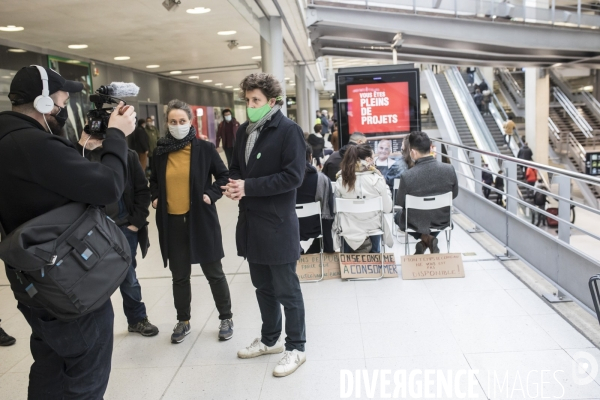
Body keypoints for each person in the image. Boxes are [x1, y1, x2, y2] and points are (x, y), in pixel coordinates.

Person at [0, 65, 135, 399]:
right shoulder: (33, 143)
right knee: (85, 378)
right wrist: (117, 136)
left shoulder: (11, 139)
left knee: (50, 368)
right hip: (68, 285)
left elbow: (43, 180)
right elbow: (108, 188)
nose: (65, 107)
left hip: (31, 282)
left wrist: (78, 150)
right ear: (45, 103)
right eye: (62, 99)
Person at [223, 73, 307, 377]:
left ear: (272, 101)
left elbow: (293, 176)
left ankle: (296, 347)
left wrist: (249, 187)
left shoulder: (288, 131)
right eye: (247, 100)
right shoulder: (244, 131)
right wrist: (233, 185)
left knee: (287, 290)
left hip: (277, 224)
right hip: (251, 224)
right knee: (263, 288)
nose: (250, 106)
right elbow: (235, 168)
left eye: (255, 100)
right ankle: (270, 340)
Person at [149, 99, 233, 344]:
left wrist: (211, 194)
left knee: (214, 272)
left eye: (182, 121)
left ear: (190, 122)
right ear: (167, 123)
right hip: (172, 223)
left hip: (201, 219)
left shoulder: (205, 149)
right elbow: (154, 181)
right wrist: (155, 198)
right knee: (179, 276)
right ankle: (183, 320)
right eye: (173, 122)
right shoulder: (161, 151)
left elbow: (224, 175)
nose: (177, 125)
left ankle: (226, 318)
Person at [77, 132, 158, 338]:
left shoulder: (128, 156)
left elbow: (142, 190)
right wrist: (82, 146)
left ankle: (137, 319)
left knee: (128, 277)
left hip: (123, 227)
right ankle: (94, 329)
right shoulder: (80, 155)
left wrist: (136, 222)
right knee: (91, 279)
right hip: (92, 230)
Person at [396, 131, 459, 254]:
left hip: (415, 221)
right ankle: (429, 239)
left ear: (413, 152)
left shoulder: (407, 176)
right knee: (432, 218)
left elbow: (400, 202)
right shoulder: (449, 169)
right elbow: (454, 194)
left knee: (398, 216)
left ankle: (425, 239)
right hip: (442, 219)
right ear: (430, 148)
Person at [333, 143, 393, 253]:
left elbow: (335, 209)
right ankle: (375, 264)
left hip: (348, 230)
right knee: (375, 225)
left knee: (346, 225)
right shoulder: (377, 180)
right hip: (373, 230)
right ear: (368, 159)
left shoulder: (341, 180)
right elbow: (388, 209)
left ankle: (347, 263)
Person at [297, 145, 335, 254]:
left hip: (290, 228)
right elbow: (327, 213)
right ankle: (311, 255)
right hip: (315, 227)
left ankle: (299, 253)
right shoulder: (321, 179)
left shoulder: (284, 179)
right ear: (310, 157)